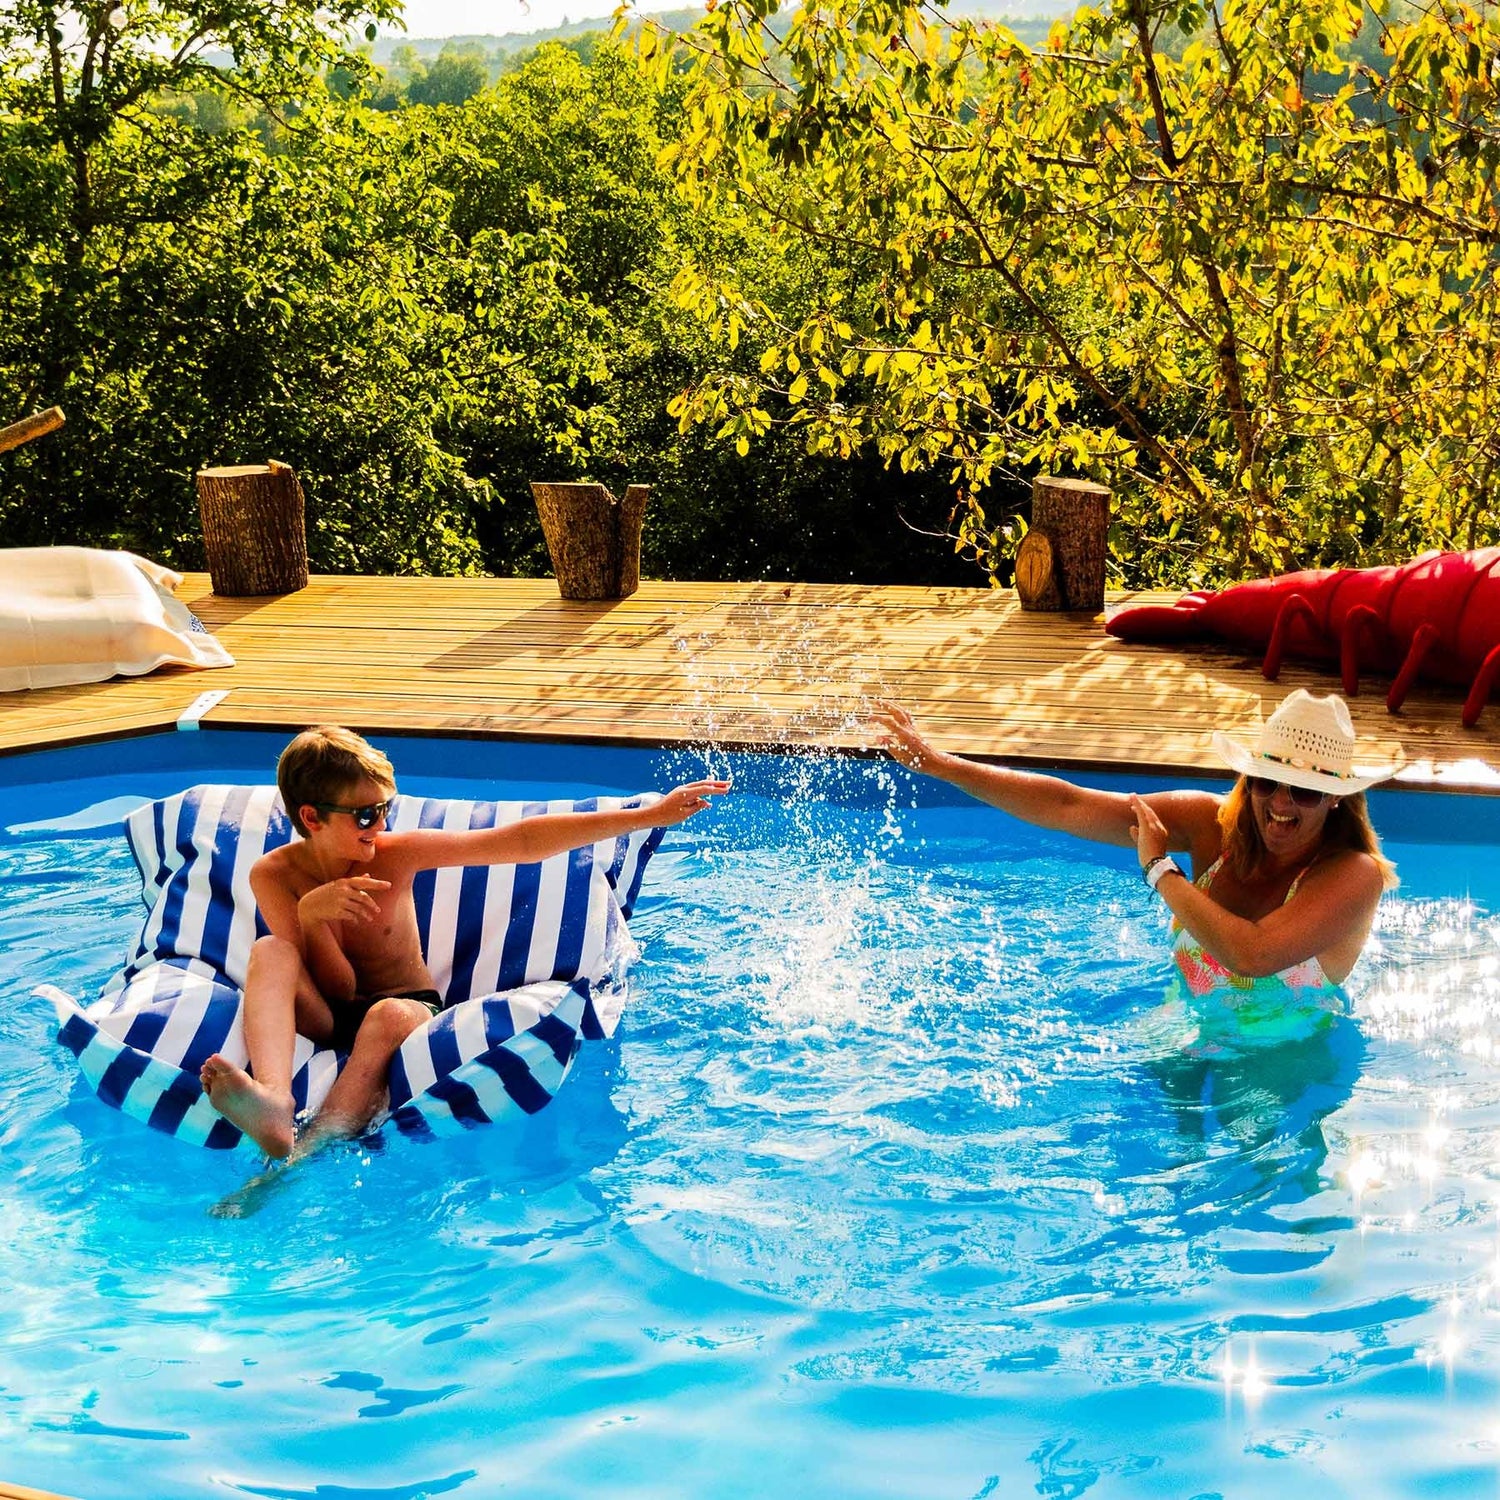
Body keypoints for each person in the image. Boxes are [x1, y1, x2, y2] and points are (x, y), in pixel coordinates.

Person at [200, 725, 729, 1162]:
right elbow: (330, 990)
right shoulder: (273, 874)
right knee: (270, 950)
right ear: (311, 818)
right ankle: (273, 1099)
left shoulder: (394, 854)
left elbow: (518, 843)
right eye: (364, 816)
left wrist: (648, 816)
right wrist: (313, 920)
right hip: (325, 1010)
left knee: (386, 1016)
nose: (379, 824)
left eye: (385, 808)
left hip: (406, 1007)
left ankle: (311, 1149)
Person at [872, 689, 1398, 997]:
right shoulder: (1211, 825)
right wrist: (940, 766)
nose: (1280, 804)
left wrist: (1160, 871)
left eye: (1305, 791)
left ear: (1335, 800)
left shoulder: (1354, 875)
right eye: (1267, 781)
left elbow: (1252, 955)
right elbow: (1069, 806)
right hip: (1184, 1035)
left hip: (1286, 1066)